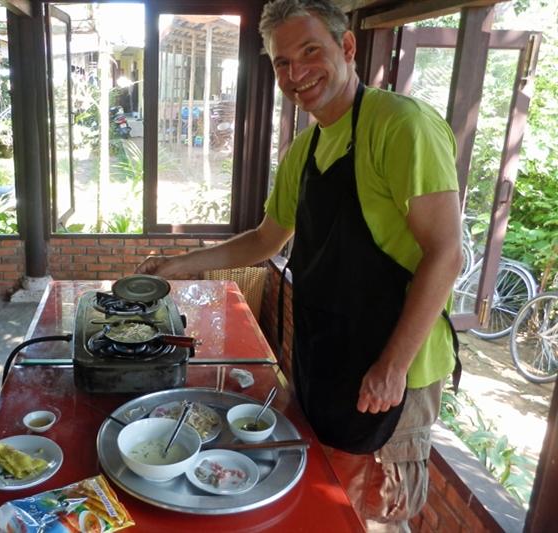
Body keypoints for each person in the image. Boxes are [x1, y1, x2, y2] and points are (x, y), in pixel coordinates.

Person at [136, 1, 462, 530]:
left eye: (311, 51)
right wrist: (178, 263)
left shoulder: (400, 125)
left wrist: (394, 365)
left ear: (348, 47)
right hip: (325, 354)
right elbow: (266, 239)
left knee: (372, 513)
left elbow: (446, 254)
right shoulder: (305, 148)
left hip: (392, 369)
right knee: (323, 501)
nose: (296, 72)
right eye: (282, 62)